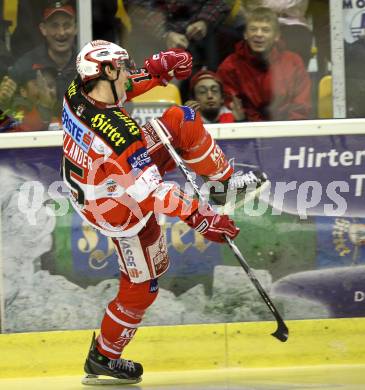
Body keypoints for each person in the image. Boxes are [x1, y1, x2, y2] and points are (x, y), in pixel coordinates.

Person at [62, 40, 266, 384]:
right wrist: (201, 218)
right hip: (118, 208)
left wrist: (157, 72)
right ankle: (103, 357)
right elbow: (155, 192)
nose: (129, 71)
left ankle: (223, 186)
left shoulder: (78, 90)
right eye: (123, 66)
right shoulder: (121, 134)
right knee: (144, 286)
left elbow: (125, 85)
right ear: (107, 71)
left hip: (106, 178)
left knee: (181, 119)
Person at [217, 6, 312, 121]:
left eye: (265, 30)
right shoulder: (230, 66)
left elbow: (301, 106)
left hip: (287, 131)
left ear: (276, 36)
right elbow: (230, 107)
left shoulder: (293, 62)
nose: (259, 34)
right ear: (245, 34)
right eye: (253, 29)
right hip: (246, 131)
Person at [7, 0, 77, 116]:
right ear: (43, 29)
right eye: (54, 26)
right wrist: (4, 102)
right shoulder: (25, 65)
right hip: (34, 133)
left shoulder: (87, 65)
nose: (61, 32)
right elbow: (7, 122)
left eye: (67, 25)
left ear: (75, 28)